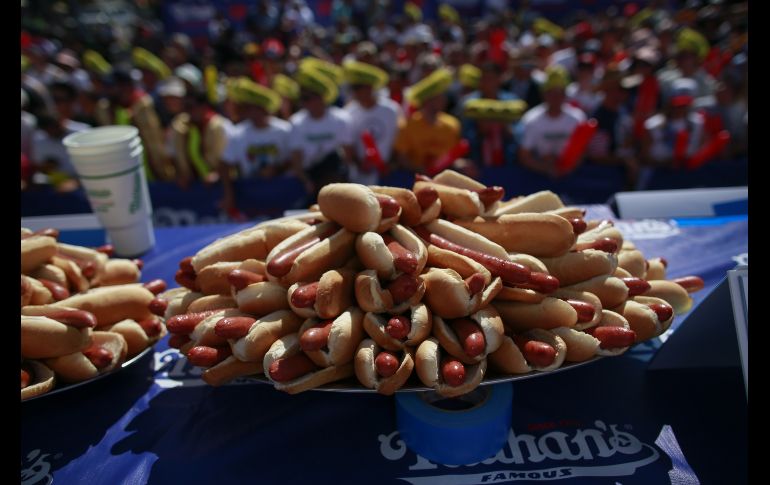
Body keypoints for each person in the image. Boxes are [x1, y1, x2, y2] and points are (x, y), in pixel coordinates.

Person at [219, 78, 290, 213]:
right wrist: (228, 194)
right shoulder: (238, 133)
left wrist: (277, 169)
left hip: (281, 191)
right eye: (249, 109)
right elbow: (224, 165)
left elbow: (294, 160)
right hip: (251, 194)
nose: (253, 113)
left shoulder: (284, 130)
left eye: (257, 108)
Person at [288, 64, 354, 203]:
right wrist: (307, 182)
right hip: (310, 180)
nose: (304, 103)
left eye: (308, 98)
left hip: (337, 178)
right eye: (302, 98)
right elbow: (296, 161)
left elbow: (348, 155)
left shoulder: (341, 119)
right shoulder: (296, 122)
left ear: (321, 97)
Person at [95, 68, 172, 181]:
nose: (108, 91)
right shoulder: (107, 108)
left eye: (112, 87)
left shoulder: (146, 105)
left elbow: (157, 140)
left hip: (153, 172)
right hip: (124, 173)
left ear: (127, 87)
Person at [518, 65, 587, 177]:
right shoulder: (531, 119)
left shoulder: (578, 118)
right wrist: (545, 168)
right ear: (544, 94)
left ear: (565, 94)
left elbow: (583, 151)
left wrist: (566, 168)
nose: (556, 97)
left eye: (559, 93)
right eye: (551, 93)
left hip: (572, 176)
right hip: (538, 176)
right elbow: (524, 155)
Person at [342, 60, 401, 186]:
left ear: (370, 87)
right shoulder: (349, 112)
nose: (355, 92)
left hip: (389, 172)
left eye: (358, 88)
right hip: (360, 174)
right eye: (353, 88)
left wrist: (391, 164)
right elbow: (348, 146)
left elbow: (399, 139)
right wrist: (359, 164)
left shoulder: (391, 109)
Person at [393, 68, 461, 173]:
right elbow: (401, 156)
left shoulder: (452, 124)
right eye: (437, 97)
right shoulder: (408, 125)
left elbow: (454, 154)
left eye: (442, 96)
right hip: (414, 176)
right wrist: (420, 170)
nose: (443, 100)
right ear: (427, 101)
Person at [171, 89, 230, 189]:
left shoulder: (219, 126)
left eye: (191, 107)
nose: (188, 111)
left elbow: (229, 159)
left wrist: (217, 174)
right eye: (185, 107)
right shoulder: (182, 126)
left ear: (203, 106)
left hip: (220, 185)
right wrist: (182, 174)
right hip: (193, 187)